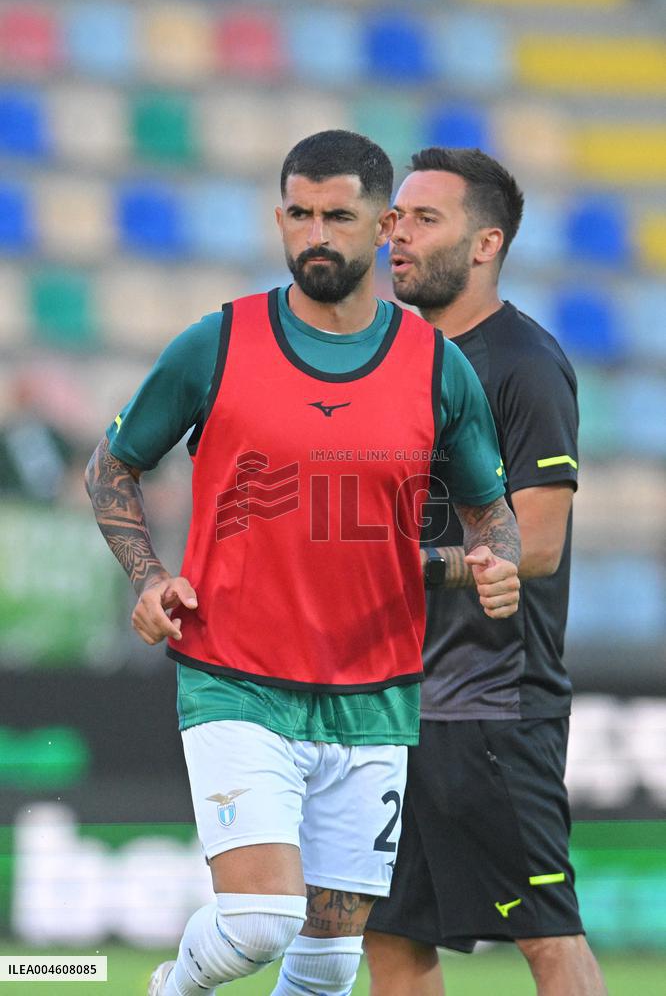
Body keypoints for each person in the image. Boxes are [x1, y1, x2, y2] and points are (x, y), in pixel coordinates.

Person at [84, 130, 521, 996]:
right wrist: (147, 577)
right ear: (279, 215)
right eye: (298, 214)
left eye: (337, 216)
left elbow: (491, 515)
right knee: (261, 921)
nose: (314, 235)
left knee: (326, 965)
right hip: (235, 677)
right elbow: (112, 465)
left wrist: (495, 561)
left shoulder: (437, 367)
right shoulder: (219, 342)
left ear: (385, 223)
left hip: (376, 693)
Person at [364, 147, 607, 996]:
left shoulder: (523, 364)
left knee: (547, 936)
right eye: (395, 218)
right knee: (390, 937)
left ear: (485, 244)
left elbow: (534, 543)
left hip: (492, 703)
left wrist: (402, 567)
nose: (397, 237)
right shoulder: (387, 358)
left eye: (425, 219)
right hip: (390, 702)